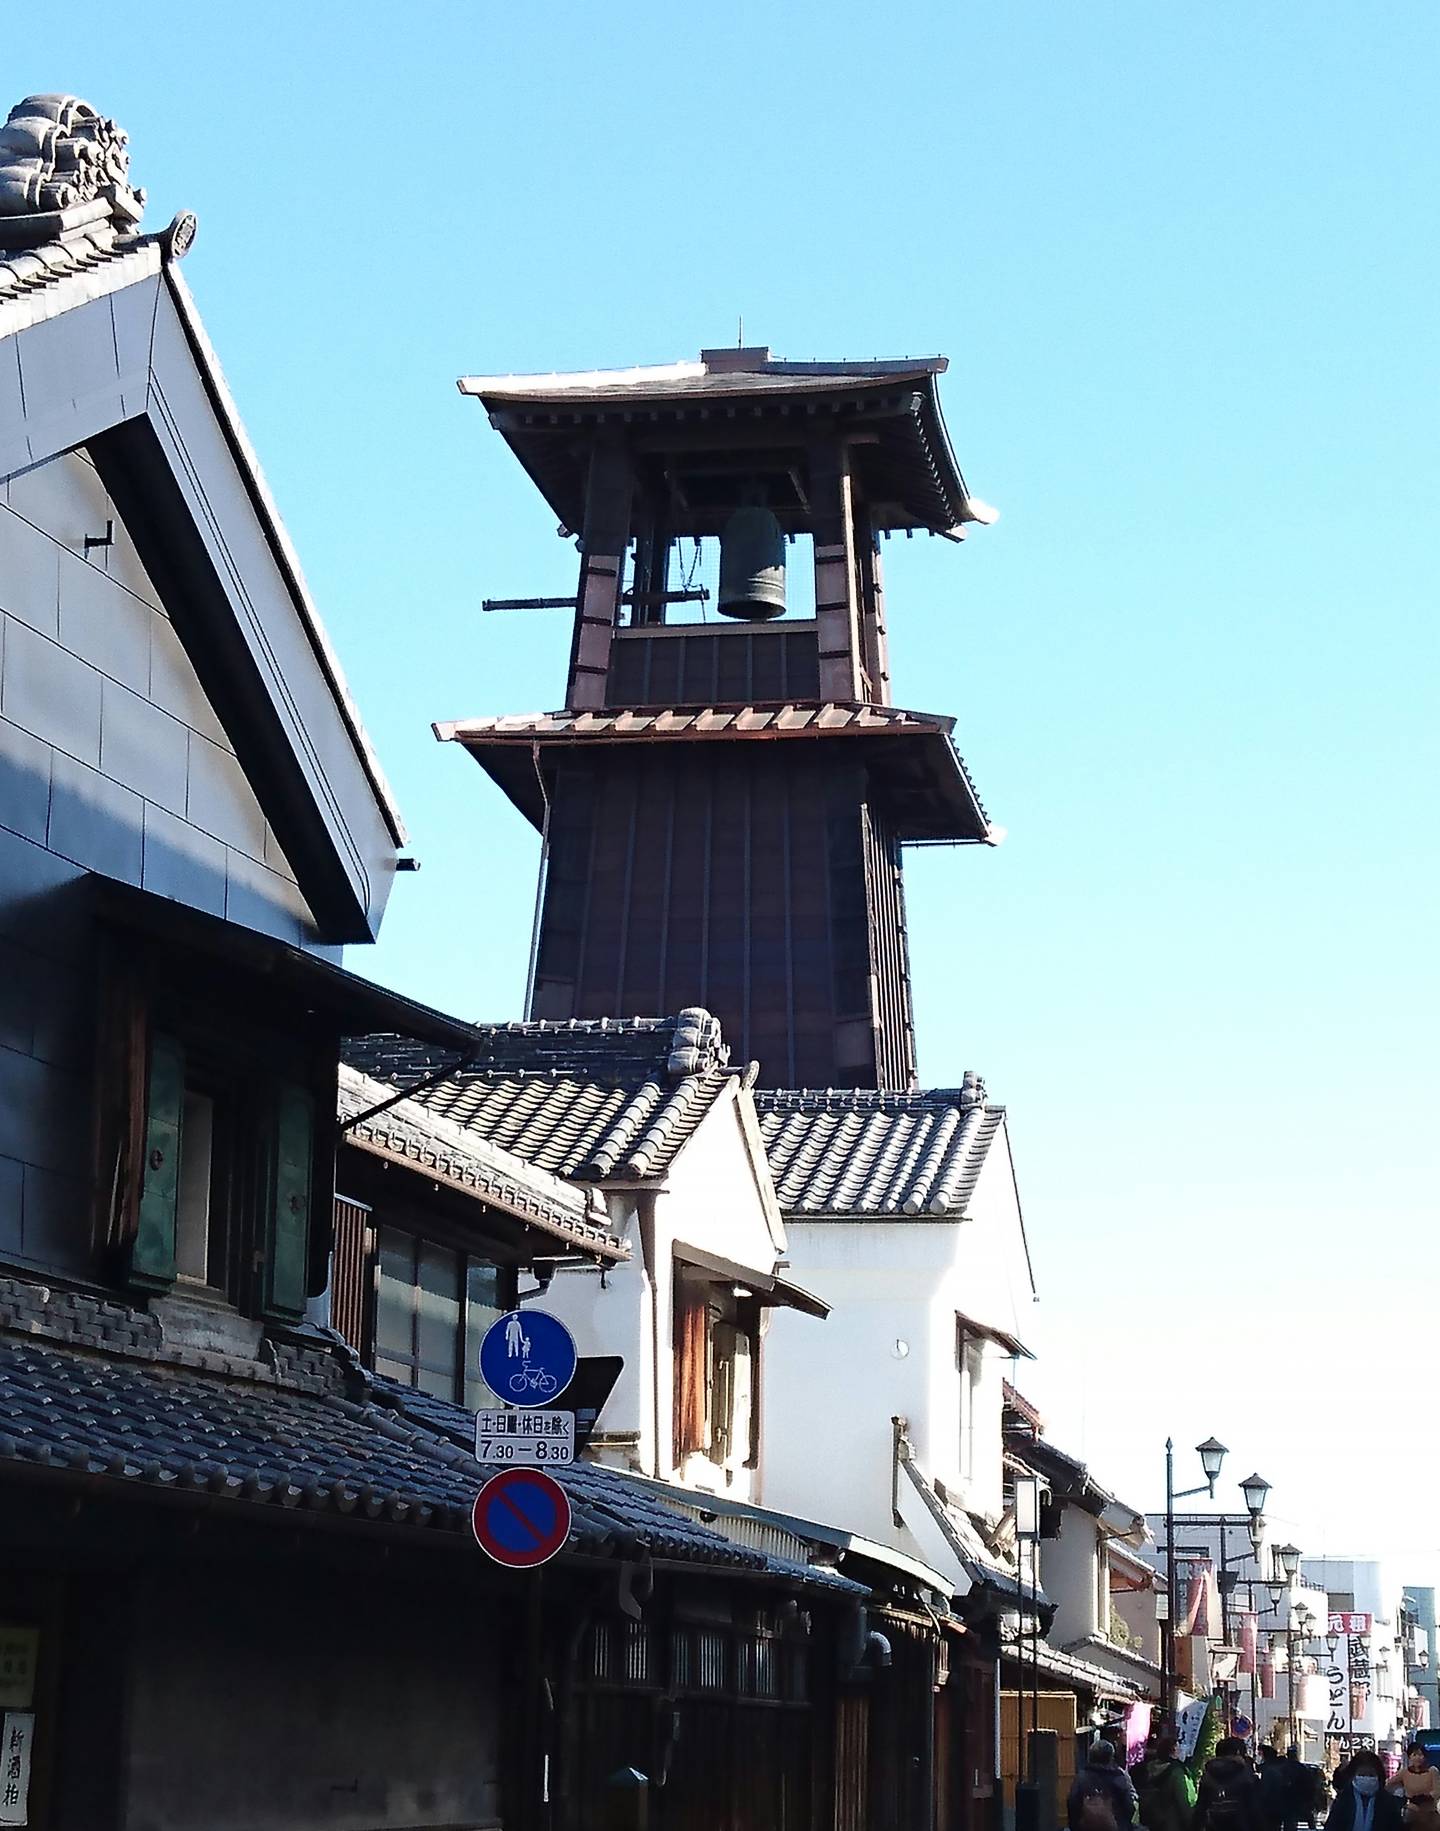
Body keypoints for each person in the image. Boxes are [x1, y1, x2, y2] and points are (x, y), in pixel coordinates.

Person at [1068, 1739, 1140, 1831]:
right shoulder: (1119, 1777)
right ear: (1111, 1757)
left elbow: (1073, 1803)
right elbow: (1129, 1805)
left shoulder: (1081, 1777)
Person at [1195, 1736, 1263, 1831]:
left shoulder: (1208, 1775)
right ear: (1238, 1753)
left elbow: (1200, 1809)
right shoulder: (1245, 1775)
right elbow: (1254, 1809)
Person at [1133, 1733, 1197, 1831]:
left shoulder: (1148, 1767)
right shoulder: (1177, 1772)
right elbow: (1185, 1800)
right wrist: (1192, 1824)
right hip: (1173, 1824)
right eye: (1178, 1748)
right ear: (1173, 1752)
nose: (1181, 1751)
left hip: (1151, 1821)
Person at [1328, 1750, 1404, 1831]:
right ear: (1353, 1775)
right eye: (1362, 1775)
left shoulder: (1389, 1803)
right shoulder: (1343, 1800)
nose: (1366, 1779)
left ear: (1378, 1776)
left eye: (1371, 1775)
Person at [1390, 1746, 1440, 1828]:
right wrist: (1399, 1799)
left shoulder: (1432, 1771)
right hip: (1411, 1813)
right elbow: (1389, 1784)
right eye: (1415, 1755)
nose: (1418, 1758)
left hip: (1429, 1813)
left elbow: (1437, 1791)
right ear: (1409, 1757)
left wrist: (1426, 1796)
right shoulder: (1404, 1772)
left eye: (1421, 1755)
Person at [1285, 1744, 1326, 1829]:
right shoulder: (1300, 1768)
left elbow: (1309, 1783)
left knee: (1291, 1820)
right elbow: (1309, 1784)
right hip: (1297, 1799)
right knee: (1305, 1817)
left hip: (1293, 1799)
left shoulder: (1286, 1767)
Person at [1259, 1745, 1296, 1831]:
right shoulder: (1284, 1768)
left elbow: (1265, 1790)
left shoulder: (1269, 1771)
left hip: (1271, 1806)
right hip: (1283, 1805)